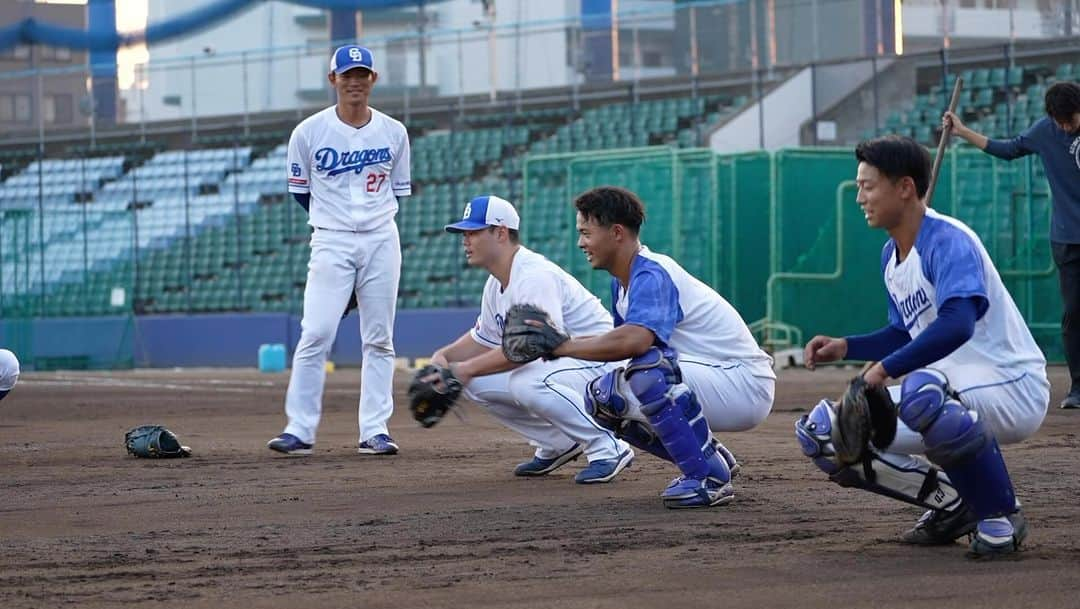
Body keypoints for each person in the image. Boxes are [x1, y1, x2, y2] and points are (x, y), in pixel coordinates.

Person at [796, 135, 1049, 558]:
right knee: (824, 432)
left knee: (923, 395)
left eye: (868, 185)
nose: (860, 196)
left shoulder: (948, 241)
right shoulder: (890, 256)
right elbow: (905, 331)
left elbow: (957, 324)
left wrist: (881, 370)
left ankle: (999, 517)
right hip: (950, 390)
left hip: (1012, 386)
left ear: (906, 188)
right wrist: (846, 346)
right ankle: (953, 504)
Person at [542, 186, 775, 508]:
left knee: (646, 373)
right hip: (720, 377)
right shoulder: (625, 279)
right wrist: (558, 343)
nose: (580, 242)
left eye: (586, 232)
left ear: (617, 232)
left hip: (743, 383)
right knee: (603, 397)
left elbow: (634, 341)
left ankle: (708, 479)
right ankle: (710, 458)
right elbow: (622, 340)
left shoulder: (652, 273)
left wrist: (562, 346)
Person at [429, 195, 634, 483]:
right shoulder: (495, 282)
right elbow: (483, 337)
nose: (466, 240)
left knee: (526, 380)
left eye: (473, 232)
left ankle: (607, 448)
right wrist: (445, 357)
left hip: (607, 365)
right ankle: (559, 443)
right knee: (472, 380)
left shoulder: (534, 275)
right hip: (571, 366)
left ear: (500, 233)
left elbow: (532, 347)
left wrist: (464, 368)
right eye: (464, 233)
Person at [267, 44, 411, 456]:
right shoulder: (308, 133)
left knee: (380, 338)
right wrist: (334, 223)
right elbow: (300, 193)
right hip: (331, 238)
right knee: (315, 332)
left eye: (362, 74)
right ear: (332, 80)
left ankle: (375, 430)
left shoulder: (393, 132)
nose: (355, 82)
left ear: (373, 80)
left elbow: (398, 190)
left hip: (382, 237)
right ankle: (299, 429)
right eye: (347, 75)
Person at [943, 81, 1080, 408]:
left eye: (1070, 120)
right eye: (1059, 121)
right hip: (1067, 239)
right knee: (1074, 314)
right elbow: (1007, 150)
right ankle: (1078, 388)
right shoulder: (1045, 132)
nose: (1065, 126)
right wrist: (962, 132)